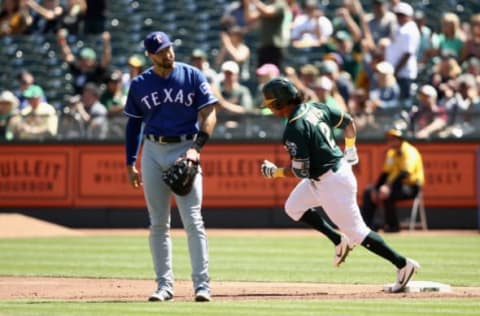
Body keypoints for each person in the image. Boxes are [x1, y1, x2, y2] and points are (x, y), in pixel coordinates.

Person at [259, 76, 419, 293]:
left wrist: (274, 172)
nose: (271, 110)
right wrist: (351, 150)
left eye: (271, 105)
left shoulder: (294, 128)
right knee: (293, 207)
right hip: (330, 174)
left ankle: (402, 264)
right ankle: (338, 239)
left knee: (358, 233)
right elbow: (348, 122)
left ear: (279, 103)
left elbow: (300, 170)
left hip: (331, 182)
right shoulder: (315, 107)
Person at [123, 31, 218, 302]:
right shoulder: (140, 84)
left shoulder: (191, 76)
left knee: (193, 220)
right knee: (158, 223)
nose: (168, 54)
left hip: (185, 147)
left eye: (169, 48)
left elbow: (209, 112)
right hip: (152, 150)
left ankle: (202, 285)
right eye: (161, 51)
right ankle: (164, 286)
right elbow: (133, 125)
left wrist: (196, 149)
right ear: (151, 55)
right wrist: (130, 162)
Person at [361, 128, 424, 232]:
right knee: (369, 191)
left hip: (411, 187)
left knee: (387, 194)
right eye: (389, 139)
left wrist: (388, 187)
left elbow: (405, 173)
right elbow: (385, 173)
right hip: (394, 185)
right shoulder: (391, 153)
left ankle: (393, 226)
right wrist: (376, 189)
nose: (390, 141)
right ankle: (368, 225)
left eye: (393, 139)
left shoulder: (409, 151)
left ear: (400, 139)